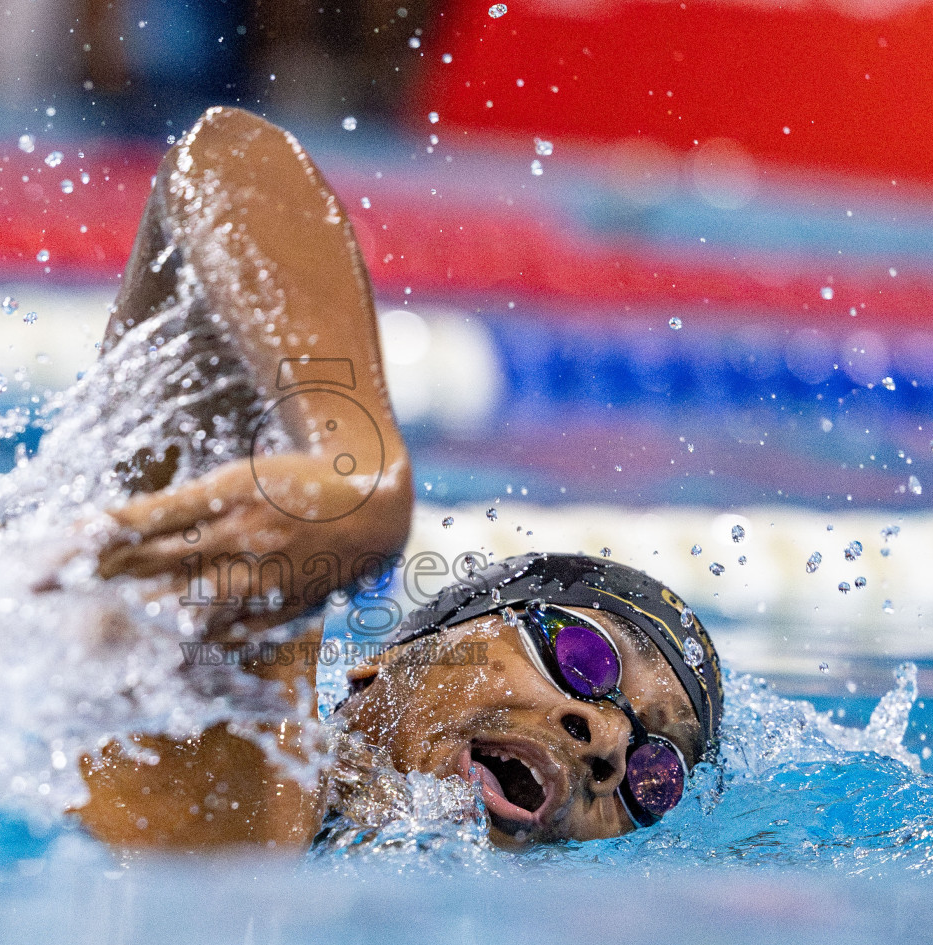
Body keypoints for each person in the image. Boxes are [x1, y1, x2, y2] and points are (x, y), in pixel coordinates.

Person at [58, 106, 722, 852]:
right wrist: (356, 483)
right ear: (386, 661)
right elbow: (226, 162)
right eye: (583, 655)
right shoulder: (244, 760)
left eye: (652, 775)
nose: (604, 739)